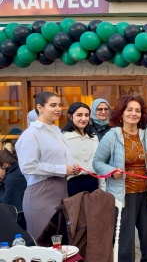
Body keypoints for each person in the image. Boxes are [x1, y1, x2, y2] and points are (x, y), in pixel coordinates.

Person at [93, 95, 147, 262]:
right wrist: (112, 170)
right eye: (129, 110)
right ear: (121, 113)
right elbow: (97, 162)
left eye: (138, 110)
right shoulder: (111, 136)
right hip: (122, 195)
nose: (134, 113)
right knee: (125, 242)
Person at [15, 92, 80, 239]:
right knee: (43, 242)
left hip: (62, 189)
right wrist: (62, 169)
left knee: (60, 242)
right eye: (53, 105)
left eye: (59, 105)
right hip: (41, 192)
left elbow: (58, 159)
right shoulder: (31, 134)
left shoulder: (56, 130)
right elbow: (28, 166)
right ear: (40, 107)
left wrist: (71, 168)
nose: (58, 108)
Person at [62, 102, 106, 197]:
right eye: (79, 115)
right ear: (70, 117)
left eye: (86, 115)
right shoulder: (63, 137)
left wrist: (103, 188)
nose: (84, 118)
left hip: (93, 183)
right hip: (72, 184)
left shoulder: (93, 137)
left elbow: (98, 163)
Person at [0, 150, 27, 229]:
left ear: (4, 165)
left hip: (20, 222)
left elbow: (6, 204)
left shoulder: (11, 180)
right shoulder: (20, 171)